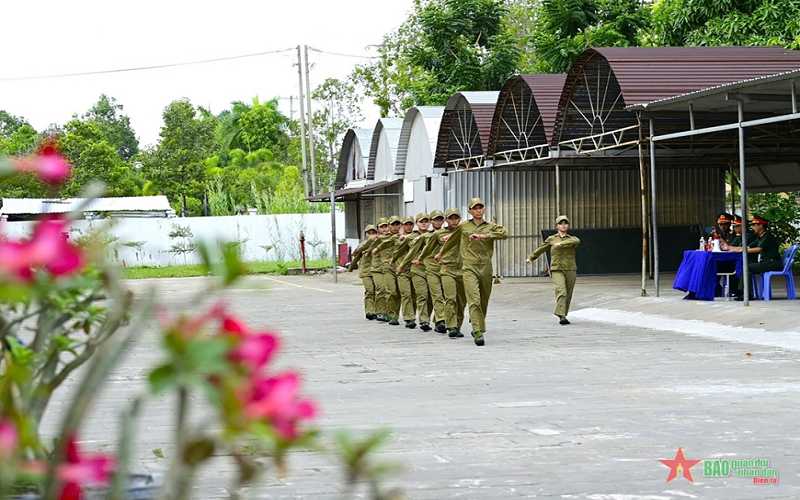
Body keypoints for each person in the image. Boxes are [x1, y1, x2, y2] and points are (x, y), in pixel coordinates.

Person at [436, 198, 508, 346]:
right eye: (475, 208)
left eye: (481, 208)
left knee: (483, 300)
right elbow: (452, 241)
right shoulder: (463, 227)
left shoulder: (491, 226)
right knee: (473, 299)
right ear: (469, 211)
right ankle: (478, 331)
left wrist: (484, 236)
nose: (478, 210)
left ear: (485, 210)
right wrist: (441, 253)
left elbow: (504, 234)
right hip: (469, 267)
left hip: (486, 267)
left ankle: (477, 319)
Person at [527, 215, 580, 325]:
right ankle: (561, 315)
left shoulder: (571, 239)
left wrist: (561, 243)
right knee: (562, 291)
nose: (563, 225)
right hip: (557, 269)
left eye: (566, 223)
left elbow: (577, 241)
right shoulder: (552, 239)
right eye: (561, 223)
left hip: (570, 268)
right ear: (557, 226)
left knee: (568, 293)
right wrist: (532, 257)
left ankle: (564, 314)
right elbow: (542, 248)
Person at [424, 208, 466, 338]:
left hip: (463, 269)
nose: (454, 221)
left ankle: (457, 325)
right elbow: (427, 249)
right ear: (446, 220)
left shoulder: (465, 232)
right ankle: (450, 325)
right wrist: (419, 259)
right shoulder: (438, 234)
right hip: (446, 269)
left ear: (460, 218)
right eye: (451, 218)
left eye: (456, 218)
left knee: (461, 301)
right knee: (450, 298)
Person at [722, 215, 782, 300]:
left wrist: (743, 250)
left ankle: (746, 293)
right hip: (766, 262)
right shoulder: (760, 236)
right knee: (746, 265)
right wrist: (729, 248)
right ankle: (742, 292)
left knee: (748, 268)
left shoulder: (767, 235)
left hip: (772, 263)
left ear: (761, 225)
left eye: (755, 225)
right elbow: (747, 247)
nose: (753, 227)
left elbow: (758, 249)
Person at [395, 213, 433, 331]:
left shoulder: (433, 235)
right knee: (409, 294)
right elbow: (401, 252)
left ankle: (431, 318)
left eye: (426, 221)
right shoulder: (409, 237)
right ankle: (411, 318)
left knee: (424, 296)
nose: (424, 223)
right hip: (412, 269)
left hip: (430, 269)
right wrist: (396, 264)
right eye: (421, 221)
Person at [372, 215, 402, 325]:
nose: (395, 227)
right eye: (392, 225)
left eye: (397, 224)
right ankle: (387, 313)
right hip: (385, 268)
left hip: (400, 268)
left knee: (398, 293)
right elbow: (370, 248)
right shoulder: (381, 238)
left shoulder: (403, 237)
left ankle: (394, 314)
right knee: (388, 291)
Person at [391, 215, 419, 328]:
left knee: (414, 295)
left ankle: (411, 314)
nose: (408, 226)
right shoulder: (396, 238)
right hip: (401, 270)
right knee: (405, 294)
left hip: (414, 269)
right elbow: (384, 242)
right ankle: (409, 318)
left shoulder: (417, 236)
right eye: (406, 224)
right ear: (402, 226)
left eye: (410, 224)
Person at [348, 224, 378, 320]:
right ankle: (369, 311)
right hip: (366, 271)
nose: (372, 235)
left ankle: (377, 310)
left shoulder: (379, 244)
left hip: (377, 270)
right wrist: (351, 266)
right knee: (369, 290)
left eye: (374, 233)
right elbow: (356, 256)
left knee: (378, 291)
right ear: (366, 234)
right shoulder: (362, 245)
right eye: (369, 233)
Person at [366, 218, 390, 322]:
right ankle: (379, 312)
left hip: (389, 268)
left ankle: (390, 312)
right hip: (376, 268)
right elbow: (361, 248)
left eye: (386, 226)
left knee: (391, 292)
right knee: (379, 289)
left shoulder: (393, 238)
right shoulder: (373, 239)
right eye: (382, 227)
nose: (384, 229)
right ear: (378, 229)